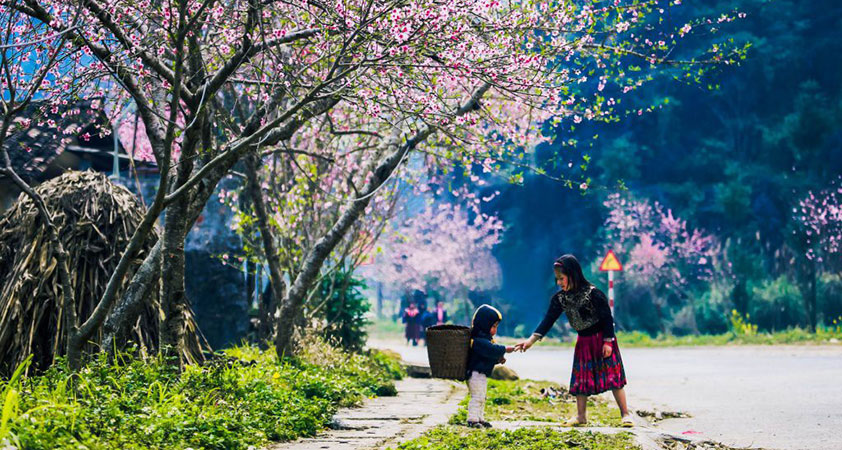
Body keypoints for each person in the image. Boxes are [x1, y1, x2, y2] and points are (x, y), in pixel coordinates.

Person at [514, 254, 633, 427]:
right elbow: (548, 320)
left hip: (602, 340)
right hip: (583, 342)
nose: (559, 283)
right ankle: (581, 417)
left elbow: (607, 318)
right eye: (557, 279)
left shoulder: (594, 294)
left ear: (573, 274)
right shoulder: (560, 299)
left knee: (614, 377)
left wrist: (608, 342)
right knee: (581, 380)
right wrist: (530, 341)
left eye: (562, 278)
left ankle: (625, 414)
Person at [465, 304, 515, 428]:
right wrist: (504, 349)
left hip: (481, 373)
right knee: (477, 396)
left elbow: (488, 356)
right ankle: (472, 419)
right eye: (493, 326)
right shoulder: (478, 341)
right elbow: (490, 350)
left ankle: (480, 418)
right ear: (484, 324)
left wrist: (498, 359)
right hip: (475, 373)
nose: (495, 330)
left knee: (482, 396)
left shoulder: (484, 340)